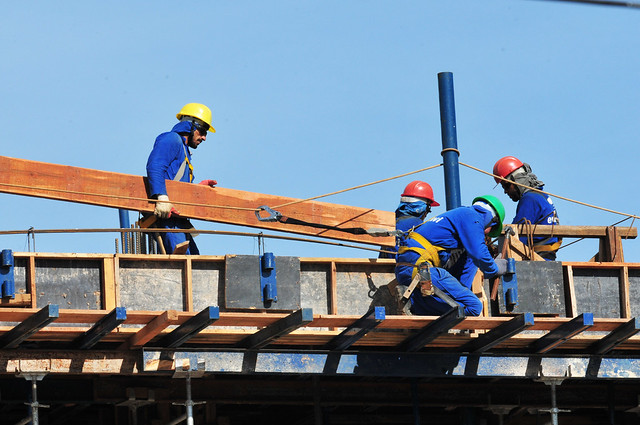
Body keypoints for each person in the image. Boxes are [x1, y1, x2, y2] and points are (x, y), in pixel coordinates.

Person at [395, 195, 509, 316]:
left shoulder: (458, 215)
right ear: (492, 220)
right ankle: (414, 303)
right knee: (474, 307)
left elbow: (472, 254)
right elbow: (479, 253)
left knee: (468, 256)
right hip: (421, 271)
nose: (487, 232)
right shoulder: (473, 217)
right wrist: (496, 268)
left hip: (408, 270)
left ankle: (415, 302)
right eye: (490, 229)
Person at [146, 103, 217, 255]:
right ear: (189, 126)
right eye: (202, 131)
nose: (204, 138)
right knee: (184, 265)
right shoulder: (172, 139)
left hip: (178, 220)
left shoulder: (184, 150)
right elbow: (155, 166)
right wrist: (162, 197)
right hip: (167, 218)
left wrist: (196, 189)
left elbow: (175, 183)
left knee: (197, 263)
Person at [493, 156, 561, 260]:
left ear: (516, 181)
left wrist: (496, 251)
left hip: (537, 261)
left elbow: (516, 238)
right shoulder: (541, 196)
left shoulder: (530, 199)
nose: (505, 192)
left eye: (506, 186)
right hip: (545, 258)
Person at [379, 181, 440, 258]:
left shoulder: (393, 222)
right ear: (423, 208)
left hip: (385, 266)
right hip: (405, 267)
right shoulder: (418, 226)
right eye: (428, 210)